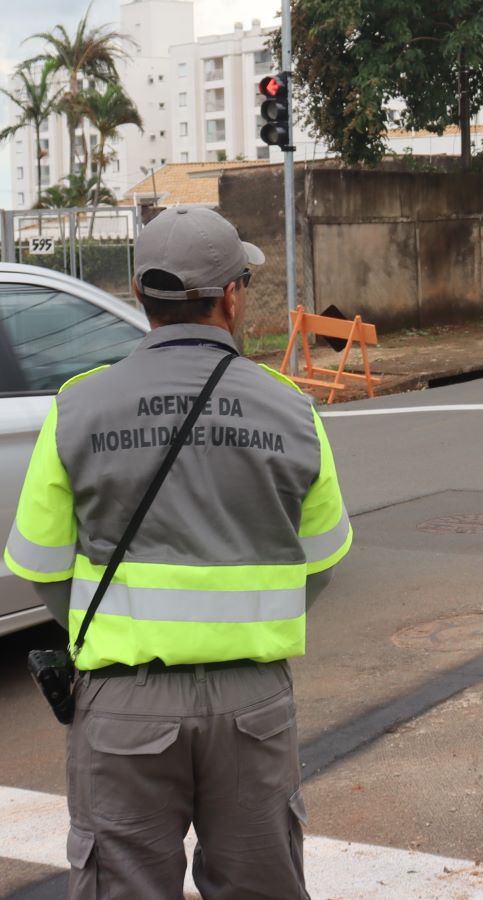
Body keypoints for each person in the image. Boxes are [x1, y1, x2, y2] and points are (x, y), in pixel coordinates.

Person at [4, 206, 352, 899]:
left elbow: (42, 566)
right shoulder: (292, 411)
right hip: (252, 703)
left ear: (139, 294)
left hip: (123, 704)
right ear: (230, 296)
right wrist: (245, 623)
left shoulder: (78, 408)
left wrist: (114, 631)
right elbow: (320, 562)